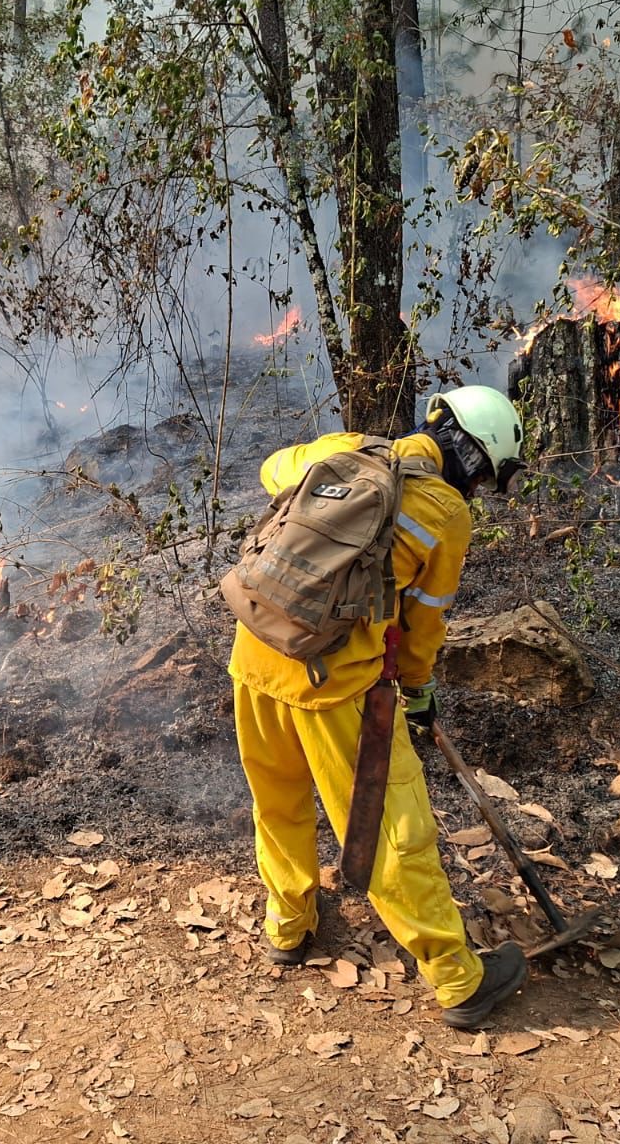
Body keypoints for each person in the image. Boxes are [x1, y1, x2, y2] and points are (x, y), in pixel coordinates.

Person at [228, 386, 528, 1029]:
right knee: (395, 829)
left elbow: (271, 471)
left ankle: (288, 927)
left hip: (254, 658)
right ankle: (458, 981)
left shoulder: (343, 449)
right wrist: (417, 690)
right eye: (485, 478)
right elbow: (425, 624)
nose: (480, 490)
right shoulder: (446, 512)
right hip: (336, 689)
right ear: (477, 462)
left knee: (277, 803)